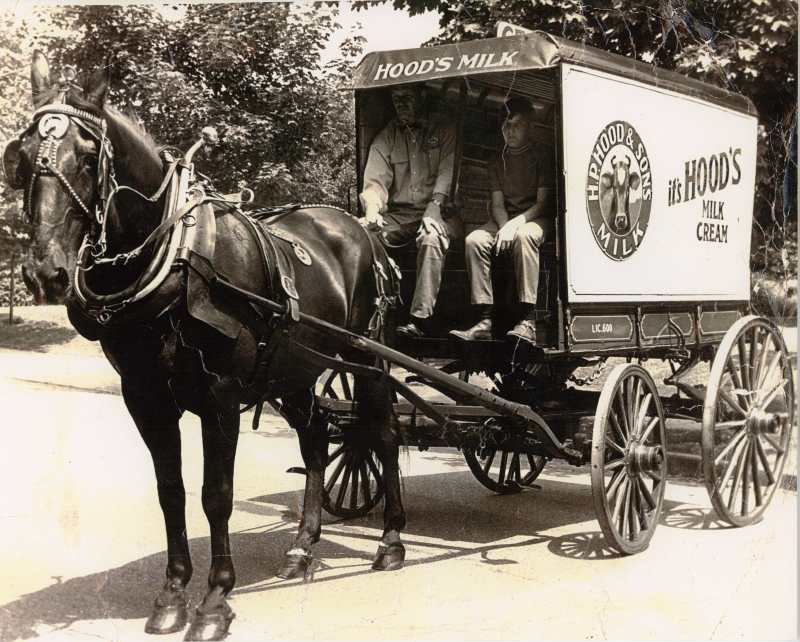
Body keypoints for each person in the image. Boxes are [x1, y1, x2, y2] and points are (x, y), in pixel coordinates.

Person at [450, 97, 555, 345]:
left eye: (517, 124)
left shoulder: (542, 155)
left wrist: (512, 226)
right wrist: (504, 225)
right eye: (506, 125)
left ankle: (528, 319)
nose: (511, 131)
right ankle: (485, 319)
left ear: (530, 125)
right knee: (474, 240)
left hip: (537, 219)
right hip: (505, 219)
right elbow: (497, 204)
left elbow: (542, 204)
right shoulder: (496, 160)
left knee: (525, 235)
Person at [360, 83, 461, 338]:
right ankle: (368, 314)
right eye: (396, 99)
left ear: (422, 97)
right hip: (399, 216)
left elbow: (448, 172)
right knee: (362, 235)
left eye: (407, 97)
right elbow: (375, 181)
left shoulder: (445, 129)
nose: (401, 104)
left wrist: (435, 207)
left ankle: (420, 320)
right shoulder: (387, 136)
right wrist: (372, 209)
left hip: (443, 212)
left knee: (431, 237)